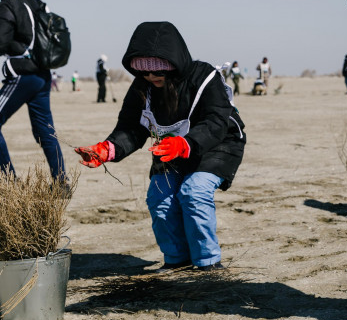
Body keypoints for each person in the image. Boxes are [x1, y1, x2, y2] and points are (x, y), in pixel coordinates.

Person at [73, 22, 247, 270]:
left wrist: (187, 143)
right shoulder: (142, 86)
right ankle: (177, 260)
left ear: (174, 65)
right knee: (159, 198)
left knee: (193, 193)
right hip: (170, 148)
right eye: (144, 73)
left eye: (158, 73)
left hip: (216, 145)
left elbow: (216, 121)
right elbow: (132, 128)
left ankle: (207, 262)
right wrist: (107, 149)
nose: (151, 78)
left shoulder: (205, 76)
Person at [0, 0, 66, 181]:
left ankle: (9, 180)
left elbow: (1, 40)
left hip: (22, 74)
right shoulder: (36, 3)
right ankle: (61, 180)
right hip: (42, 75)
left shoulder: (9, 5)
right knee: (45, 131)